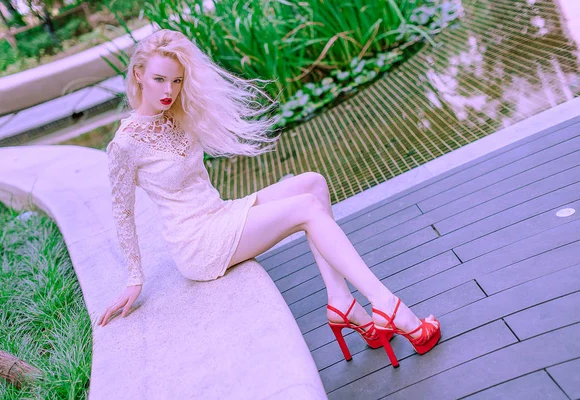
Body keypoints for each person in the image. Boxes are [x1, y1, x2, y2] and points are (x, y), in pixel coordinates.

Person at [97, 29, 440, 367]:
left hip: (219, 214)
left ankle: (342, 303)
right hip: (198, 243)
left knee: (313, 184)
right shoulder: (125, 144)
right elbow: (122, 212)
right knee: (306, 209)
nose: (169, 90)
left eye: (176, 81)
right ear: (139, 75)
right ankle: (387, 305)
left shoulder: (175, 114)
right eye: (159, 79)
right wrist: (134, 279)